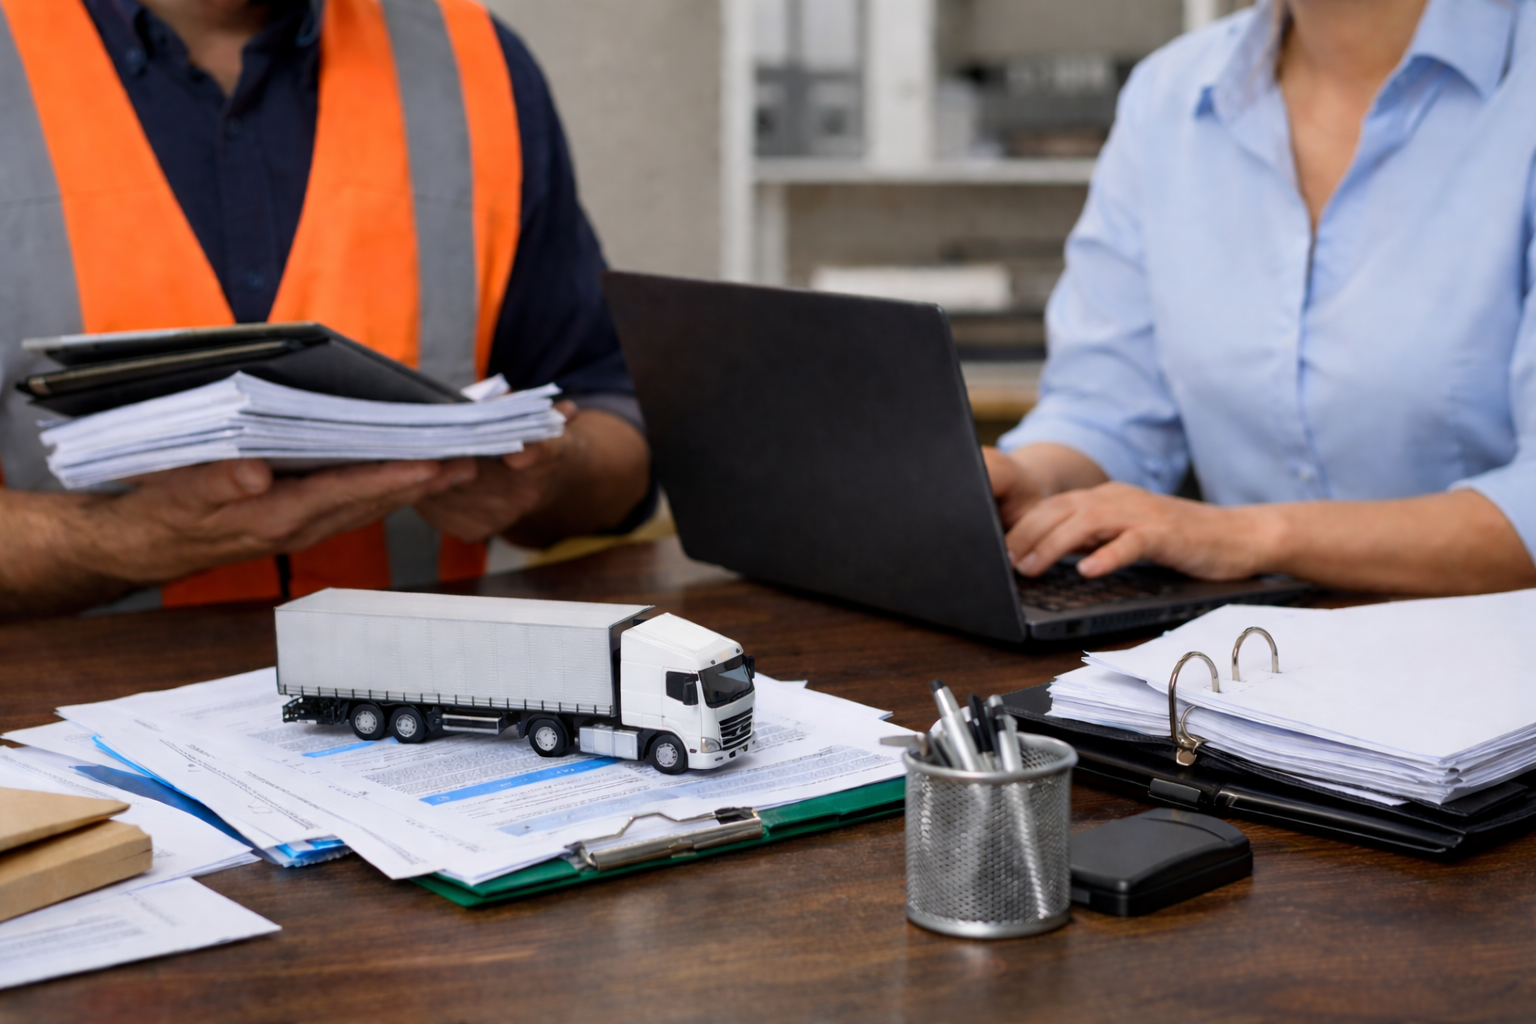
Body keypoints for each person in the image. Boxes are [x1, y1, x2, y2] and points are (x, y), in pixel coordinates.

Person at [0, 0, 651, 618]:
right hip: (61, 716)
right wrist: (117, 540)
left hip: (419, 710)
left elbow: (620, 423)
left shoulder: (474, 62)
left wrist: (548, 476)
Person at [988, 0, 1536, 596]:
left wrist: (1248, 536)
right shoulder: (1169, 94)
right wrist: (1035, 478)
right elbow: (1110, 409)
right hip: (1248, 664)